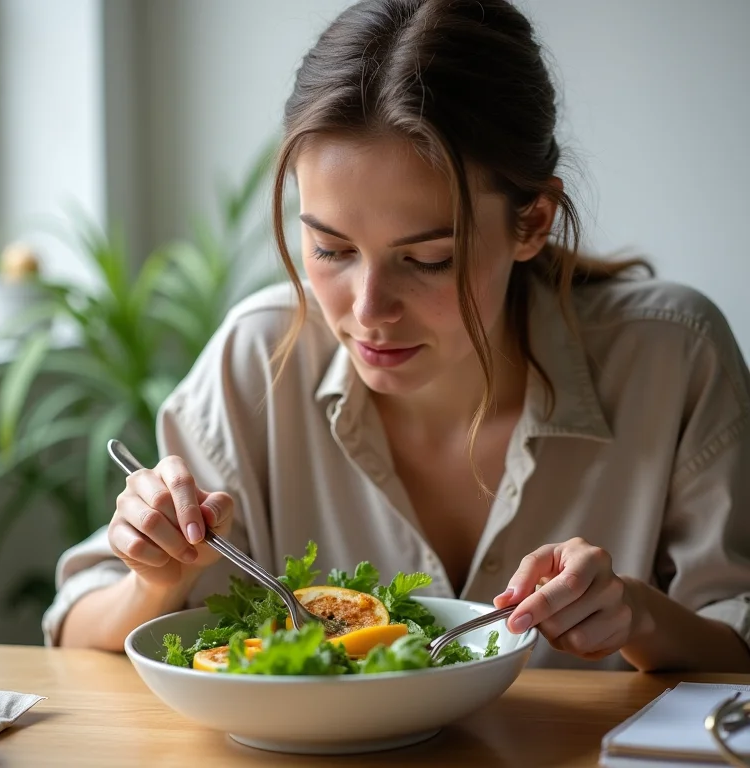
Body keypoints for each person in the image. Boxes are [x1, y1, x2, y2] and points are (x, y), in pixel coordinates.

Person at [43, 0, 750, 672]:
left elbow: (738, 643)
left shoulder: (673, 356)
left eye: (428, 259)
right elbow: (72, 634)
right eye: (330, 249)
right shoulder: (257, 360)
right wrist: (156, 578)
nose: (369, 308)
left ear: (532, 221)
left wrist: (641, 617)